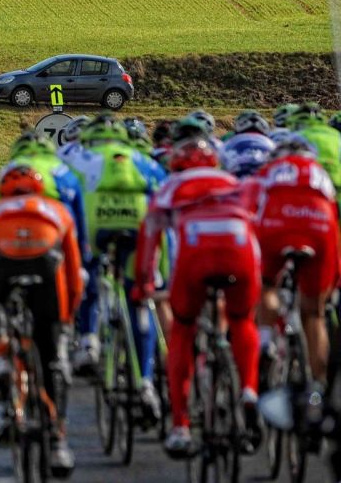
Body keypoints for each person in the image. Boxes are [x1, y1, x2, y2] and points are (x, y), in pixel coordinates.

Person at [134, 137, 262, 458]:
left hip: (196, 255)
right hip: (240, 250)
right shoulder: (231, 181)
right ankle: (249, 388)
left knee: (182, 329)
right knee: (242, 320)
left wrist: (144, 282)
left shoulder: (171, 185)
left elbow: (150, 233)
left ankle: (180, 425)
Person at [0, 164, 83, 476]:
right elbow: (73, 276)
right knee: (52, 361)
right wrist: (67, 317)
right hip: (45, 275)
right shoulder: (57, 211)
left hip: (4, 271)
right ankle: (57, 438)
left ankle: (2, 356)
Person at [65, 116, 162, 429]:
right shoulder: (141, 159)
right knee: (139, 301)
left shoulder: (81, 156)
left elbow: (65, 194)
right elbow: (161, 195)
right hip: (137, 225)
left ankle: (88, 341)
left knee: (88, 271)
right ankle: (145, 382)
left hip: (97, 223)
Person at [245, 135, 339, 391]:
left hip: (276, 224)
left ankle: (265, 342)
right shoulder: (321, 173)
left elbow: (249, 210)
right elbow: (335, 227)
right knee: (315, 313)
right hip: (319, 225)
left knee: (266, 285)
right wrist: (333, 281)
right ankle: (318, 387)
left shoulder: (270, 169)